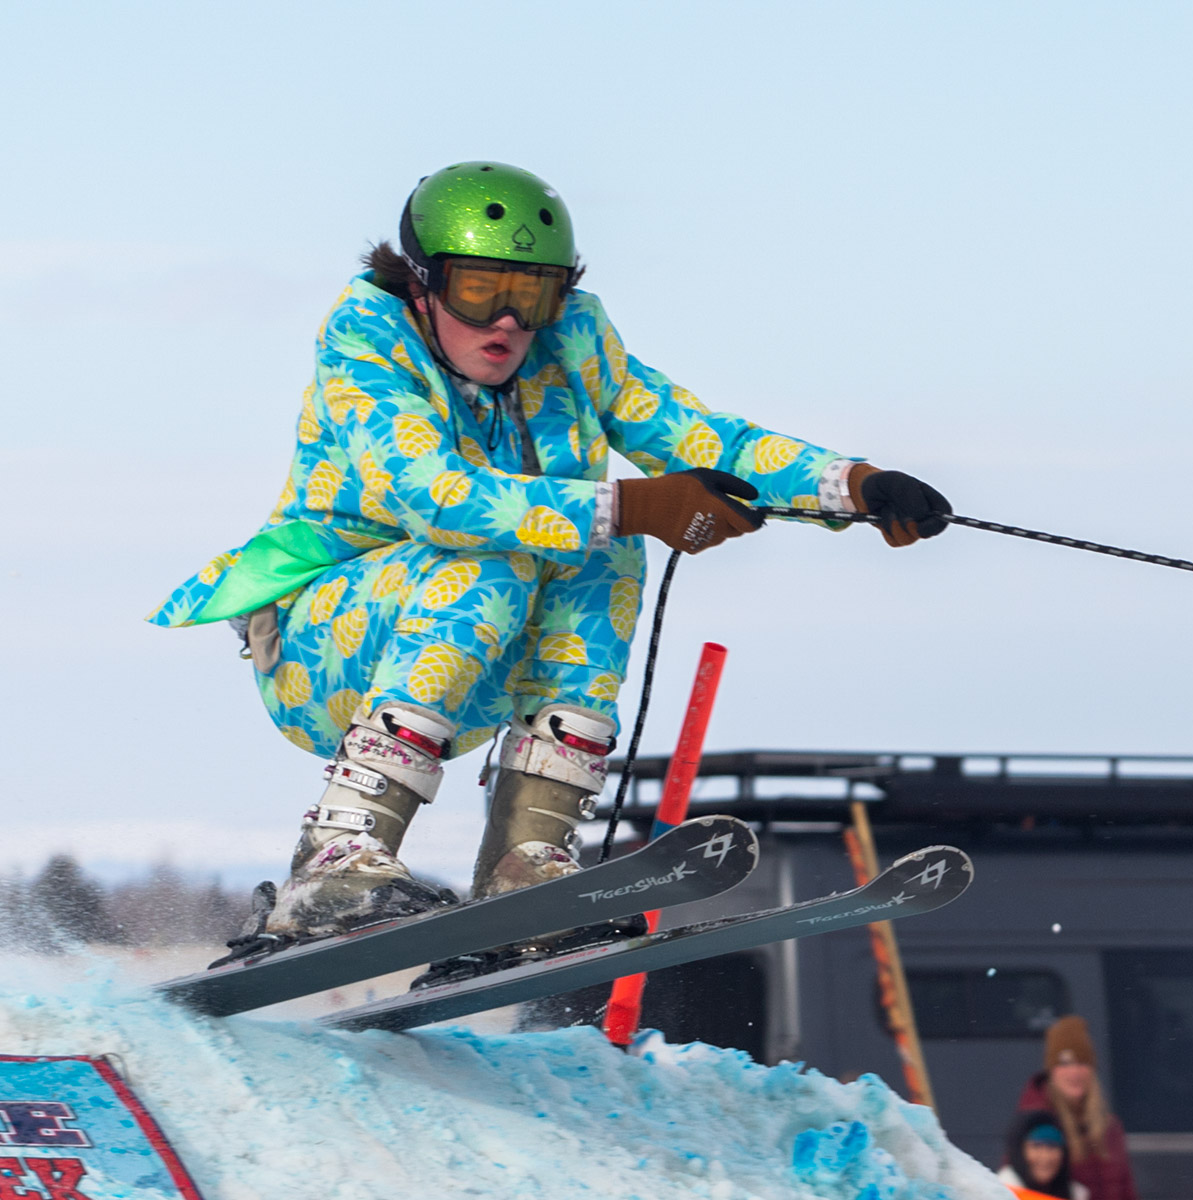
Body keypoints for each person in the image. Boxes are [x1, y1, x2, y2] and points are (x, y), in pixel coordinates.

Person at [148, 162, 952, 948]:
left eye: (532, 295)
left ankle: (527, 858)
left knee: (607, 557)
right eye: (478, 291)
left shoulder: (570, 342)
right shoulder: (366, 338)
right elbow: (429, 493)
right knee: (504, 552)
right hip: (327, 649)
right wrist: (638, 502)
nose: (507, 321)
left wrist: (849, 486)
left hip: (476, 659)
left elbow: (698, 437)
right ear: (421, 283)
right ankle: (335, 855)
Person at [1015, 1016, 1139, 1200]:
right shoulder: (1036, 1124)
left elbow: (1127, 1191)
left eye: (1081, 1063)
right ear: (1051, 1071)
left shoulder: (1110, 1127)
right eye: (1064, 1063)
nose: (1074, 1072)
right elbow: (1018, 1188)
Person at [997, 1110, 1074, 1200]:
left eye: (1052, 1146)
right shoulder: (999, 1191)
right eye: (1036, 1146)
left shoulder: (1077, 1194)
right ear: (1019, 1151)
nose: (1045, 1157)